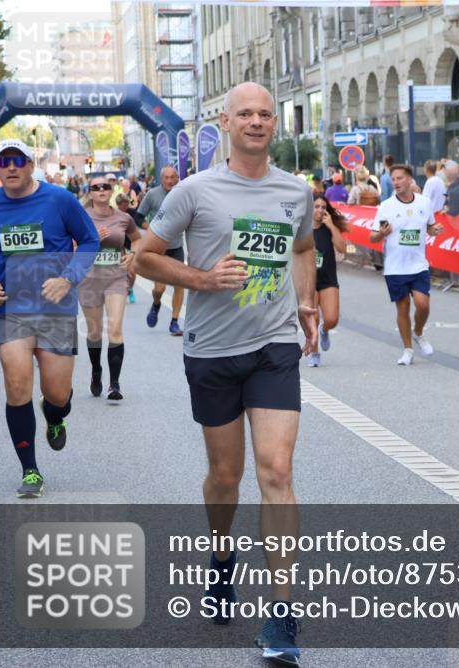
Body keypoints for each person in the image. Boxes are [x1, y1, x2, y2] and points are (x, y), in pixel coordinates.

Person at [133, 82, 318, 666]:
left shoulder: (296, 191)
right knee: (224, 477)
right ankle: (220, 563)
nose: (258, 122)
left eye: (266, 114)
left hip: (274, 346)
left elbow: (305, 248)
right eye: (247, 114)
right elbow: (145, 256)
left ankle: (281, 614)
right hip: (212, 350)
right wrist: (203, 279)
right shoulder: (194, 190)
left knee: (277, 470)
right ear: (226, 121)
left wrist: (307, 302)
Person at [0, 139, 100, 498]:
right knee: (17, 385)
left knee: (57, 393)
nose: (11, 167)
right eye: (4, 162)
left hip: (55, 308)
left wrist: (68, 278)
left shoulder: (59, 199)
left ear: (32, 165)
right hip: (9, 309)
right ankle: (30, 470)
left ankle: (55, 414)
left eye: (18, 160)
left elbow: (89, 241)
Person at [369, 164, 444, 365]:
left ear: (410, 179)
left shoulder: (424, 202)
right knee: (402, 309)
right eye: (393, 179)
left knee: (423, 304)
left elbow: (429, 227)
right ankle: (408, 350)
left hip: (418, 265)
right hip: (395, 267)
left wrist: (435, 230)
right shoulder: (386, 206)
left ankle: (418, 332)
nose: (396, 182)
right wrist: (382, 234)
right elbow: (373, 237)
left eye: (400, 178)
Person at [79, 176, 142, 401]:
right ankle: (96, 371)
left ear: (112, 190)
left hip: (116, 278)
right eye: (96, 188)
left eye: (106, 186)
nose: (102, 190)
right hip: (89, 279)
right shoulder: (81, 217)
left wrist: (132, 255)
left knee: (115, 328)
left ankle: (114, 384)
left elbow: (136, 239)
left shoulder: (123, 218)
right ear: (90, 192)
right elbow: (71, 245)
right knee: (95, 332)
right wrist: (92, 240)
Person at [137, 166, 186, 335]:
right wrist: (151, 228)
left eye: (173, 177)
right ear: (161, 179)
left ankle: (174, 322)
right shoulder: (152, 195)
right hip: (158, 249)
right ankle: (156, 304)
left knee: (180, 285)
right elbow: (138, 218)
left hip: (177, 246)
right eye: (166, 177)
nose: (170, 181)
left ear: (178, 178)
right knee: (160, 289)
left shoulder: (184, 193)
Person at [306, 193, 348, 367]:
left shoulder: (328, 227)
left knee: (332, 319)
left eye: (323, 207)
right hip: (308, 280)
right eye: (316, 206)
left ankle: (324, 330)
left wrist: (331, 226)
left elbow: (342, 248)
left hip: (328, 278)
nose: (320, 210)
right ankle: (314, 353)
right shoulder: (303, 228)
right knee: (312, 317)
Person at [116, 194, 144, 304]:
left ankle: (130, 289)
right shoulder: (113, 214)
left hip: (131, 244)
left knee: (132, 271)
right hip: (119, 246)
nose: (127, 205)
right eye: (125, 203)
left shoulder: (131, 213)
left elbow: (140, 223)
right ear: (120, 204)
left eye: (128, 203)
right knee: (120, 270)